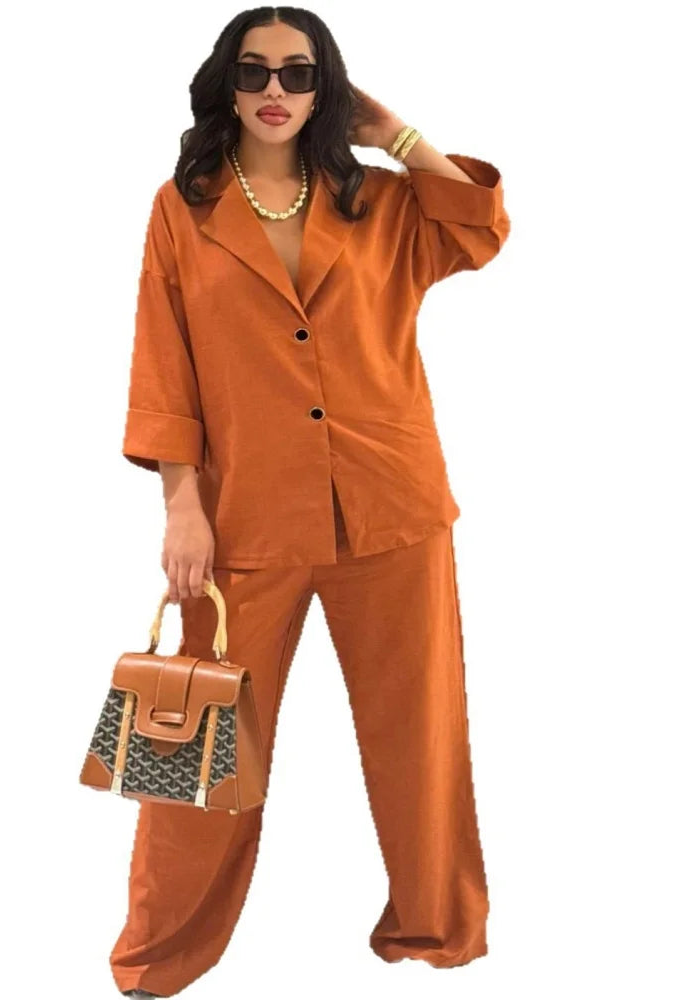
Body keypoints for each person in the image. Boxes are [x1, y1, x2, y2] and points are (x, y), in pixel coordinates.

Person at [110, 7, 510, 998]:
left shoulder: (380, 201)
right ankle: (160, 951)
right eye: (254, 72)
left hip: (393, 505)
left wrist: (397, 135)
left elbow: (481, 228)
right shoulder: (183, 208)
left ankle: (437, 926)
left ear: (327, 85)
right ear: (227, 84)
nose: (275, 91)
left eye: (298, 72)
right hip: (244, 516)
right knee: (193, 745)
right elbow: (164, 363)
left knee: (421, 734)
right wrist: (182, 506)